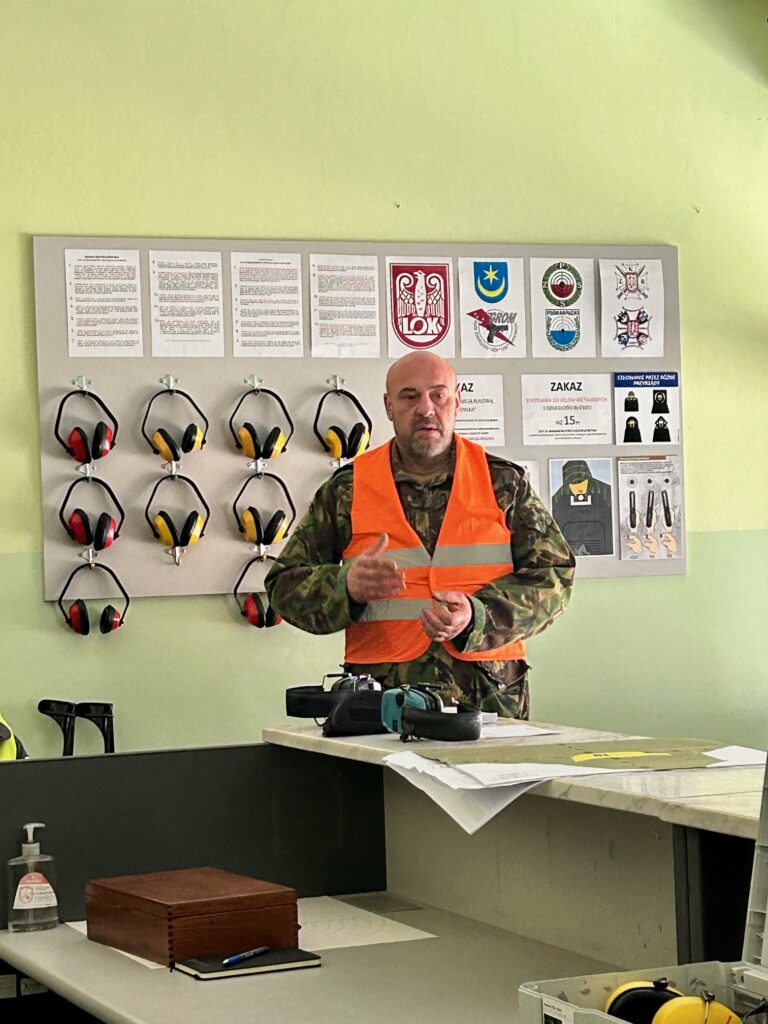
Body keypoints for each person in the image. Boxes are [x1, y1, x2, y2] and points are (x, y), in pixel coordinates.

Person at [265, 352, 575, 718]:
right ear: (389, 406)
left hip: (488, 702)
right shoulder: (347, 489)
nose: (426, 409)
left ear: (457, 402)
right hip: (380, 704)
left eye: (438, 395)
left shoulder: (504, 483)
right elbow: (284, 585)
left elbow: (554, 577)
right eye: (409, 396)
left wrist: (477, 616)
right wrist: (344, 586)